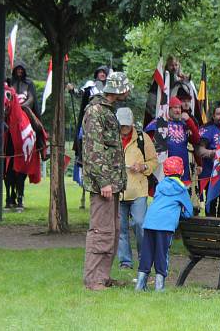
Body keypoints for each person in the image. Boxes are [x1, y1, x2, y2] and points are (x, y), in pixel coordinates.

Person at [82, 71, 132, 291]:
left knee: (111, 231)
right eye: (126, 87)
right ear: (118, 89)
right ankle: (93, 280)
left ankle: (103, 277)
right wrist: (104, 182)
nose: (129, 91)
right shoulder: (95, 112)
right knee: (100, 232)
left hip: (112, 185)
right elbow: (94, 150)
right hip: (103, 185)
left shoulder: (107, 111)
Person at [135, 155, 193, 292]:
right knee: (162, 253)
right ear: (182, 172)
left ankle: (140, 284)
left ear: (165, 172)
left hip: (149, 222)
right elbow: (189, 213)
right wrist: (179, 213)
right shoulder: (182, 190)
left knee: (147, 253)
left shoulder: (160, 186)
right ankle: (159, 286)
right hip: (165, 226)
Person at [116, 107, 158, 270]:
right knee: (121, 228)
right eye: (121, 126)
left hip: (138, 190)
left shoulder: (143, 138)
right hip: (118, 191)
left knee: (140, 224)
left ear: (132, 123)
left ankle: (144, 257)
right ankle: (125, 261)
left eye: (126, 125)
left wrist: (142, 166)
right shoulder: (111, 137)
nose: (124, 129)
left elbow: (154, 162)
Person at [144, 96, 200, 186]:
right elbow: (147, 145)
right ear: (168, 109)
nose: (178, 110)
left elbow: (196, 140)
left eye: (179, 108)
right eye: (175, 107)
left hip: (183, 173)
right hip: (164, 173)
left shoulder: (184, 124)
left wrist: (189, 121)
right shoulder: (158, 123)